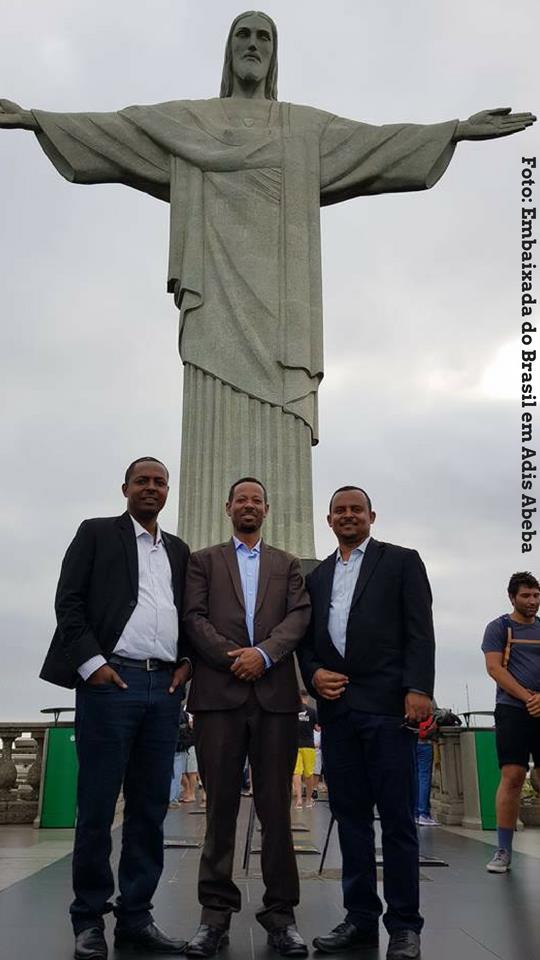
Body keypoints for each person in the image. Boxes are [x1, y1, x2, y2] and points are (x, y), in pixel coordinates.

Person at [0, 14, 535, 557]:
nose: (253, 45)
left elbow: (376, 145)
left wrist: (454, 131)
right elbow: (118, 131)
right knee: (211, 395)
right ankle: (213, 549)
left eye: (264, 37)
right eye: (243, 35)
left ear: (275, 53)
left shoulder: (303, 129)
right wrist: (34, 120)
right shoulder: (189, 122)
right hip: (213, 295)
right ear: (228, 49)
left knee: (282, 406)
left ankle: (284, 550)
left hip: (283, 309)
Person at [40, 457, 191, 960]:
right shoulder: (97, 534)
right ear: (125, 488)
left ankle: (136, 917)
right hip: (111, 682)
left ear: (168, 491)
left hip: (163, 688)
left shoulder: (178, 549)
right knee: (98, 808)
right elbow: (69, 603)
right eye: (142, 481)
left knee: (150, 810)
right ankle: (88, 918)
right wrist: (93, 665)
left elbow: (187, 613)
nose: (151, 488)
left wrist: (186, 662)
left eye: (159, 482)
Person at [298, 486, 435, 960]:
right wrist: (313, 673)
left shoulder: (400, 561)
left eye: (356, 509)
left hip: (388, 708)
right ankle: (358, 918)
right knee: (350, 818)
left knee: (397, 819)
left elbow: (419, 629)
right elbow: (307, 642)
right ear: (328, 520)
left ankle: (404, 925)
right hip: (337, 712)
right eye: (340, 511)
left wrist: (418, 689)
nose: (348, 516)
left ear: (371, 516)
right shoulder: (316, 577)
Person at [182, 477, 311, 958]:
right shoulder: (203, 562)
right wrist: (233, 657)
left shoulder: (288, 564)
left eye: (257, 500)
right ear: (228, 507)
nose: (249, 506)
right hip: (219, 696)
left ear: (267, 509)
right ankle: (213, 917)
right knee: (218, 810)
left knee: (276, 809)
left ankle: (281, 917)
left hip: (275, 698)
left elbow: (298, 618)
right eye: (241, 500)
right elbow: (193, 618)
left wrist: (265, 654)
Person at [482, 571, 540, 873]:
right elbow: (494, 668)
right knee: (514, 776)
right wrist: (527, 697)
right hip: (511, 710)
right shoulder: (499, 628)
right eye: (526, 596)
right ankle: (503, 850)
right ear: (512, 597)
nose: (532, 602)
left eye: (536, 596)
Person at [292, 690, 319, 809]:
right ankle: (308, 800)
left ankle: (298, 800)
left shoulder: (293, 711)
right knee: (309, 773)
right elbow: (318, 728)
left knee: (296, 772)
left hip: (295, 745)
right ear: (306, 698)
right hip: (309, 746)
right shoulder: (312, 711)